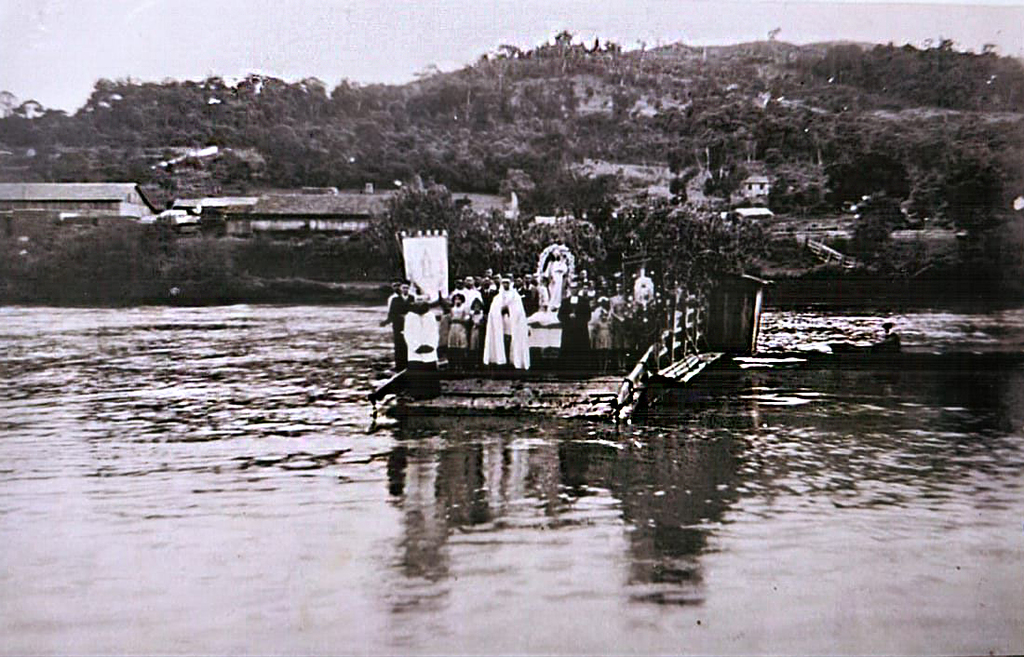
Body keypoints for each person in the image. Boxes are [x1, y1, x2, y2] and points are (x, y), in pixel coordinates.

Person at [483, 277, 531, 370]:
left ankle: (513, 363)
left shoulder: (516, 297)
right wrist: (501, 310)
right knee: (501, 341)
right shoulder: (497, 298)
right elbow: (493, 312)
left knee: (513, 342)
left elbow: (519, 312)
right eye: (504, 283)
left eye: (507, 283)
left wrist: (509, 309)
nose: (505, 285)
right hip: (500, 324)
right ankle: (501, 362)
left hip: (512, 324)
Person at [558, 281, 591, 373]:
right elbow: (560, 315)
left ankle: (581, 368)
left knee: (580, 350)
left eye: (575, 288)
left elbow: (588, 315)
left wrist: (578, 319)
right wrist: (568, 317)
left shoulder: (584, 301)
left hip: (580, 330)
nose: (573, 290)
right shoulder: (565, 302)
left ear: (578, 289)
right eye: (572, 288)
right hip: (568, 330)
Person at [380, 280, 410, 370]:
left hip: (410, 324)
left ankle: (409, 363)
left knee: (409, 343)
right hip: (398, 324)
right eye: (403, 288)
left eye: (406, 288)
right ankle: (399, 365)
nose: (404, 290)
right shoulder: (394, 299)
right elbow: (391, 313)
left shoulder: (413, 298)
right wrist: (386, 322)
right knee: (399, 344)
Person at [589, 297, 613, 373]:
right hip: (600, 336)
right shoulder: (597, 313)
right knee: (599, 353)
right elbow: (595, 328)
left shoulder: (608, 319)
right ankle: (599, 368)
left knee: (606, 354)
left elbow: (611, 328)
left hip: (606, 336)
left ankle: (605, 369)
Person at [447, 293, 469, 370]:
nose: (457, 301)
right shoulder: (452, 309)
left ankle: (461, 366)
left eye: (459, 299)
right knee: (453, 346)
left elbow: (467, 318)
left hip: (461, 327)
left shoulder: (464, 308)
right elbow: (449, 318)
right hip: (453, 327)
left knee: (461, 345)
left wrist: (461, 320)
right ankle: (453, 365)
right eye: (456, 299)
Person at [469, 298, 486, 367]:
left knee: (480, 346)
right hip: (473, 331)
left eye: (478, 306)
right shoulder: (472, 315)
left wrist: (480, 325)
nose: (477, 307)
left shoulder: (483, 315)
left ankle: (480, 363)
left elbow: (484, 324)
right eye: (475, 306)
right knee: (473, 347)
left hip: (480, 332)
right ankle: (473, 363)